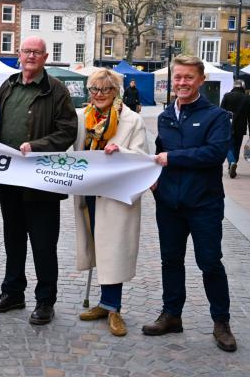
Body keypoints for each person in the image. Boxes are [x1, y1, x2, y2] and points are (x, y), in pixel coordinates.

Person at [143, 55, 236, 352]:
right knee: (171, 261)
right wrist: (153, 177)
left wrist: (173, 159)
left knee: (209, 262)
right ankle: (172, 315)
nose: (182, 83)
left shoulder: (216, 116)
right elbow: (159, 152)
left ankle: (221, 322)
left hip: (204, 204)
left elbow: (213, 154)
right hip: (169, 203)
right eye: (178, 77)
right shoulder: (165, 116)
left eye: (188, 78)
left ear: (201, 80)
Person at [0, 35, 77, 325]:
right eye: (26, 52)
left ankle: (45, 300)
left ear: (45, 57)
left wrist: (37, 146)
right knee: (13, 239)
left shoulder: (57, 90)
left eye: (36, 53)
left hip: (42, 181)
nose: (31, 57)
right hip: (10, 178)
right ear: (19, 54)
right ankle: (13, 292)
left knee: (43, 243)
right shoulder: (8, 85)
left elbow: (67, 132)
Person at [73, 69, 148, 336]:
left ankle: (113, 307)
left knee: (113, 247)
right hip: (90, 192)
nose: (99, 95)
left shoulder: (132, 120)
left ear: (115, 92)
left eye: (105, 90)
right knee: (97, 244)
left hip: (116, 195)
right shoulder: (83, 117)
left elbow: (142, 158)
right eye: (94, 89)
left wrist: (121, 152)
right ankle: (104, 304)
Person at [220, 79, 250, 178]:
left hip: (227, 126)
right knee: (237, 147)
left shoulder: (227, 96)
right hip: (241, 127)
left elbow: (221, 112)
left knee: (228, 147)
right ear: (243, 87)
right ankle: (233, 163)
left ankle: (232, 162)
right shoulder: (248, 98)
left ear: (234, 86)